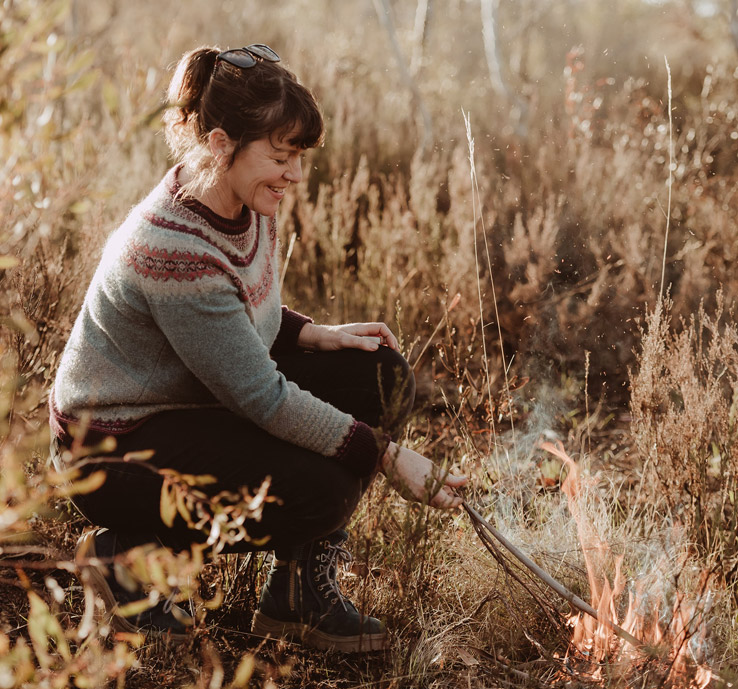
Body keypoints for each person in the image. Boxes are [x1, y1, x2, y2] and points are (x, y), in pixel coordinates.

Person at [50, 43, 467, 652]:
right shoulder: (173, 247)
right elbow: (260, 396)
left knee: (381, 377)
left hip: (189, 403)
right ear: (220, 143)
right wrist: (386, 456)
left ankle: (296, 596)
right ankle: (130, 556)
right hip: (112, 446)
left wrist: (308, 332)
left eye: (298, 156)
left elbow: (232, 312)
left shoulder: (243, 198)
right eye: (280, 156)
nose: (295, 175)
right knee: (321, 491)